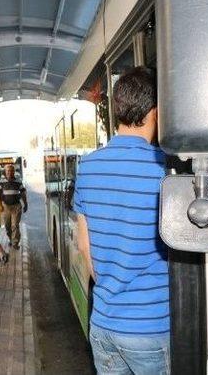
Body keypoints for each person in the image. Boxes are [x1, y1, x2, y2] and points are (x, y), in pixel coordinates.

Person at [73, 67, 170, 374]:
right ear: (155, 112)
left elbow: (85, 247)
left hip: (102, 325)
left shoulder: (87, 167)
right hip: (151, 329)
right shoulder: (165, 172)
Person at [0, 164, 27, 249]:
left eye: (11, 171)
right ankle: (11, 239)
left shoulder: (18, 181)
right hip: (5, 206)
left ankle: (15, 243)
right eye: (8, 171)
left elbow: (23, 193)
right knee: (7, 226)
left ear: (14, 172)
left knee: (15, 225)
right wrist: (0, 205)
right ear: (5, 172)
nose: (10, 172)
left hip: (16, 206)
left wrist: (25, 203)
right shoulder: (2, 181)